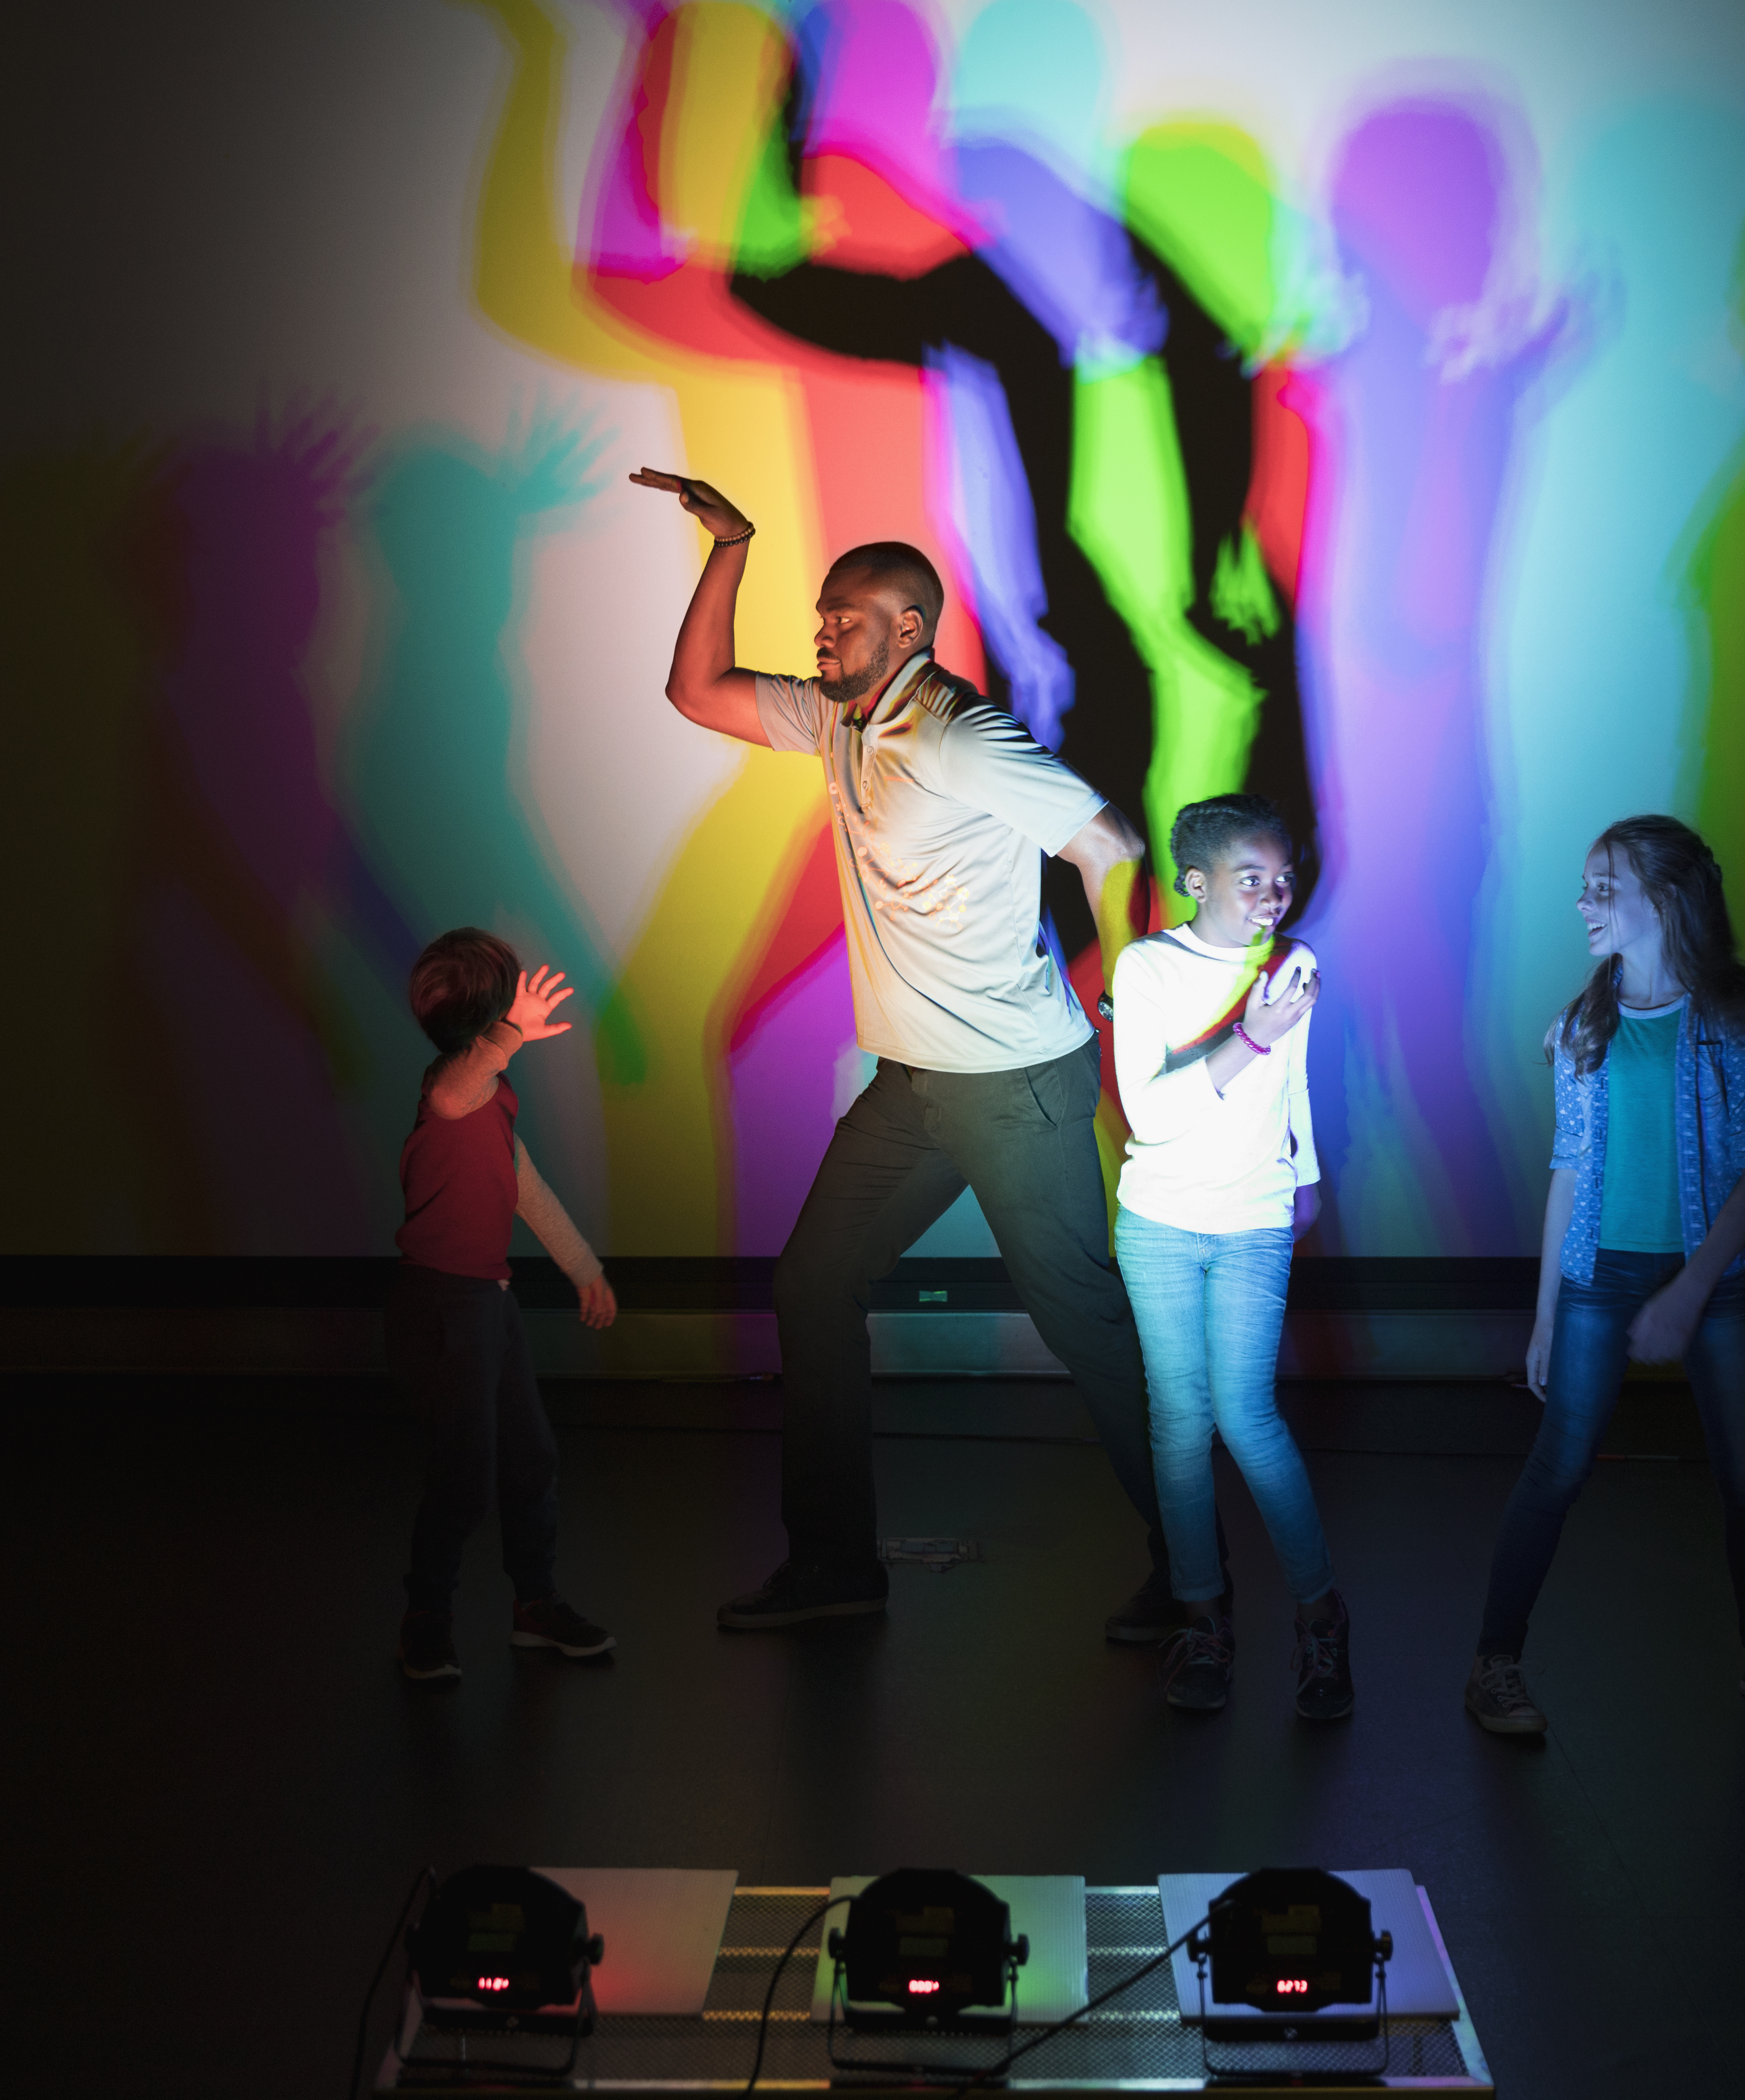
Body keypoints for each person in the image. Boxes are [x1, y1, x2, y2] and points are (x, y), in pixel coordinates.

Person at [628, 465, 1178, 1638]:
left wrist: (1130, 1005)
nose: (823, 633)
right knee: (813, 1283)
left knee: (1082, 1324)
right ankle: (835, 1565)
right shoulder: (837, 717)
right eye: (821, 616)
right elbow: (696, 691)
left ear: (910, 628)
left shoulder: (959, 735)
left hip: (1017, 1088)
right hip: (914, 1087)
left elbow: (1115, 847)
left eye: (846, 618)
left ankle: (1196, 1577)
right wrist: (732, 546)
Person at [1464, 816, 1745, 1734]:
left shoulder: (1731, 1019)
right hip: (1598, 1279)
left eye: (1604, 888)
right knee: (1555, 1470)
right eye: (1584, 887)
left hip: (1711, 1284)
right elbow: (1568, 1169)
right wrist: (1546, 1316)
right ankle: (1493, 1666)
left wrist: (1690, 1292)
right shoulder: (1582, 1025)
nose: (1582, 904)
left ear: (1666, 898)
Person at [1109, 794, 1354, 1721]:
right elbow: (1150, 1115)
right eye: (1251, 879)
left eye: (1282, 878)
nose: (1273, 895)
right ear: (1196, 882)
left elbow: (1294, 1084)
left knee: (1247, 1418)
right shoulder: (1147, 967)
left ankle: (1321, 1617)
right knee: (1179, 1426)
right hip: (1160, 1222)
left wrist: (1306, 1178)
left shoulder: (1295, 962)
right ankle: (1203, 1621)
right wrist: (1252, 1034)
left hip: (1253, 1219)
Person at [389, 929, 621, 1684]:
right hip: (442, 1308)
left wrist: (583, 1268)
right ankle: (426, 1618)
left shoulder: (490, 1099)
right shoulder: (449, 1091)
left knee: (530, 1460)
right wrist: (512, 1033)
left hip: (490, 1305)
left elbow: (523, 1188)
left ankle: (535, 1604)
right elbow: (455, 1090)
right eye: (508, 1005)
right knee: (463, 1478)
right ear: (489, 1020)